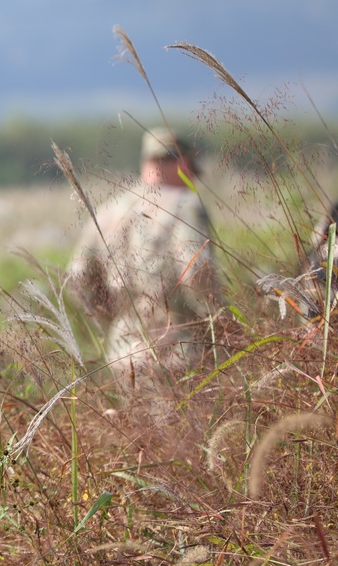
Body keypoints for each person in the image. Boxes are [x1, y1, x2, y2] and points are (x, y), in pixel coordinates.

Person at [66, 127, 223, 408]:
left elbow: (77, 277)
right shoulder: (185, 205)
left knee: (139, 444)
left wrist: (109, 320)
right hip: (178, 349)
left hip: (123, 352)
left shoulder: (108, 210)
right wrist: (219, 323)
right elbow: (196, 272)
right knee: (184, 444)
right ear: (183, 164)